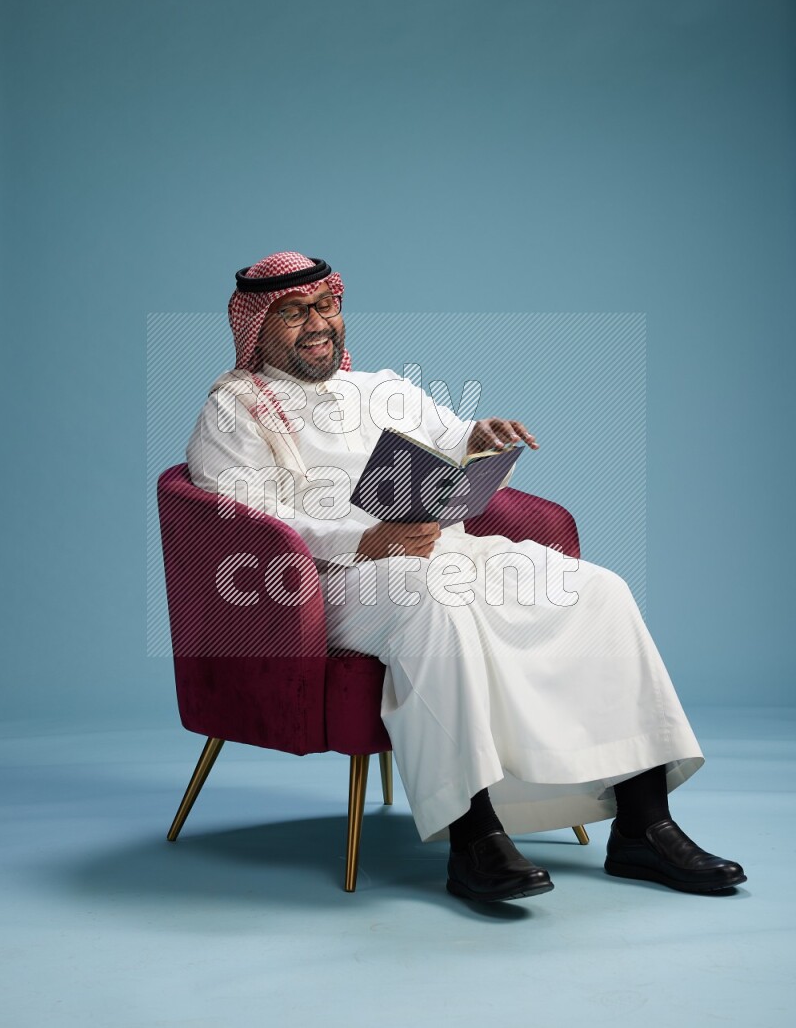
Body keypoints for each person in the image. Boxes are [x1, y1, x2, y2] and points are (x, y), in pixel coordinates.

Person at [186, 250, 746, 902]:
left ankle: (644, 825)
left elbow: (449, 443)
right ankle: (474, 840)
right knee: (435, 604)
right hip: (324, 582)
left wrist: (479, 440)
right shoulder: (234, 410)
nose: (317, 324)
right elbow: (246, 517)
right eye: (293, 312)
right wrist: (366, 539)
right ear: (257, 325)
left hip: (441, 551)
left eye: (326, 305)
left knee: (598, 591)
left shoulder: (382, 388)